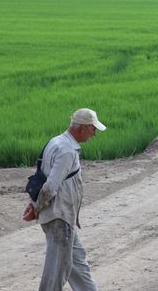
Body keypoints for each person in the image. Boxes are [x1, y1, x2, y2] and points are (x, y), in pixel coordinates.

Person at [21, 108, 107, 291]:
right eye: (93, 129)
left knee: (78, 265)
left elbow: (41, 176)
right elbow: (50, 186)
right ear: (83, 128)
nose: (94, 134)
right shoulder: (67, 151)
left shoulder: (56, 142)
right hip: (59, 218)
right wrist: (35, 208)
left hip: (62, 217)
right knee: (57, 272)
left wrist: (34, 205)